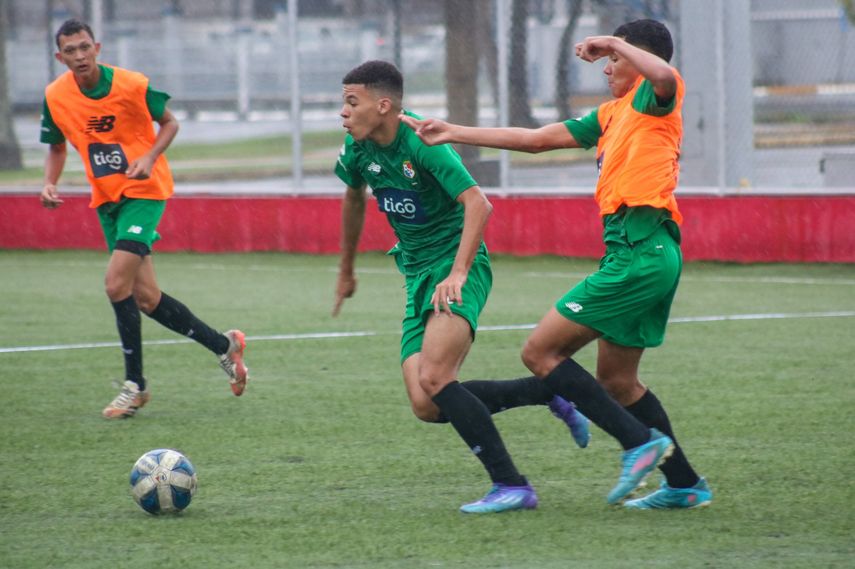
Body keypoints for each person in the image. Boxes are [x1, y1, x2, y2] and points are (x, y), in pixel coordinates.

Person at [401, 19, 711, 509]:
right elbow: (536, 139)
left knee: (539, 353)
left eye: (615, 60)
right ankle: (685, 483)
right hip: (640, 254)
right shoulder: (611, 114)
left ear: (638, 57)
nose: (607, 69)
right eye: (609, 60)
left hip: (641, 251)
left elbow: (666, 78)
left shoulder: (656, 99)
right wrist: (453, 131)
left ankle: (639, 444)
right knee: (619, 382)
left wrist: (612, 41)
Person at [332, 60, 598, 515]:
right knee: (427, 404)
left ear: (383, 104)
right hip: (416, 275)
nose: (343, 112)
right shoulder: (357, 149)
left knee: (436, 378)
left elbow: (479, 203)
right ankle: (547, 392)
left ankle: (513, 486)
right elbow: (354, 198)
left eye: (351, 102)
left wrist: (456, 273)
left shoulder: (422, 142)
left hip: (459, 268)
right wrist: (346, 268)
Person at [39, 19, 249, 419]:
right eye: (71, 51)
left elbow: (170, 122)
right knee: (147, 298)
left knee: (115, 283)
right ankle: (225, 347)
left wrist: (149, 156)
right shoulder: (56, 96)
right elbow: (56, 146)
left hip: (145, 190)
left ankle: (136, 386)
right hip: (108, 200)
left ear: (97, 47)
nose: (80, 56)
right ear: (59, 56)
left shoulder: (132, 85)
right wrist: (49, 183)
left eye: (85, 47)